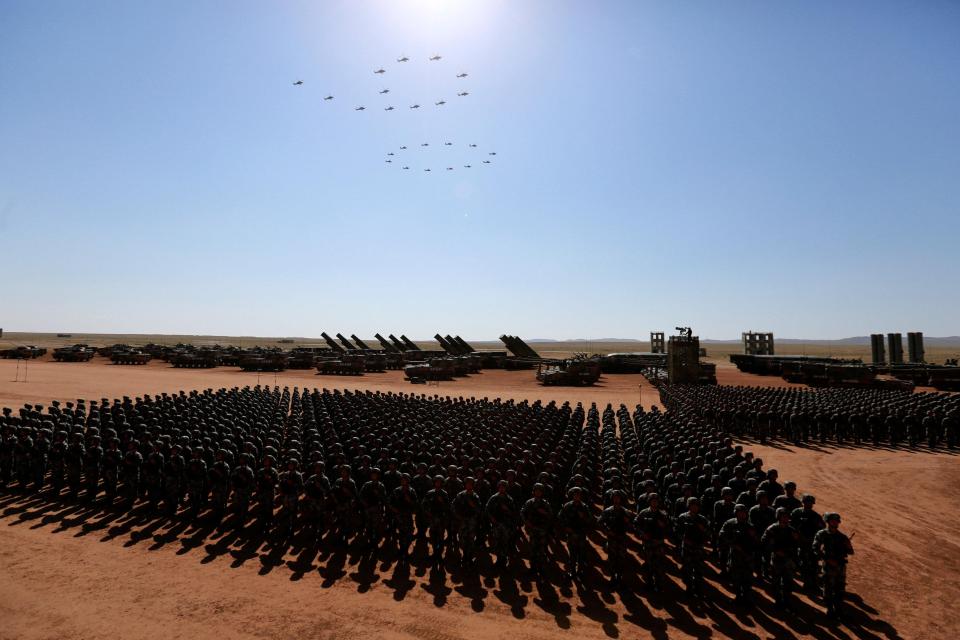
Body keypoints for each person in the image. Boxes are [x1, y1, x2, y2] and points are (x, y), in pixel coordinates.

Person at [813, 512, 854, 620]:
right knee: (828, 588)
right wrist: (827, 559)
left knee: (840, 589)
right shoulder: (822, 534)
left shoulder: (842, 537)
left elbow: (850, 552)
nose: (835, 522)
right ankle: (830, 608)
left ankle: (838, 609)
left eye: (836, 521)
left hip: (840, 567)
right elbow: (815, 548)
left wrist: (848, 546)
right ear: (827, 521)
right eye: (832, 520)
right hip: (828, 566)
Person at [762, 507, 800, 609]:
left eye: (787, 517)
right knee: (776, 582)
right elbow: (765, 541)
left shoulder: (792, 530)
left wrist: (796, 540)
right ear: (778, 517)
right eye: (784, 517)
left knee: (788, 582)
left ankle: (787, 600)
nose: (786, 519)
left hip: (788, 560)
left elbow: (797, 545)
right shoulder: (772, 529)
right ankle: (778, 600)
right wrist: (776, 550)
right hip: (776, 559)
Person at [720, 504, 757, 604]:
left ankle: (747, 597)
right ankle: (738, 596)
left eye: (744, 512)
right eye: (740, 512)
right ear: (736, 513)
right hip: (735, 556)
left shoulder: (750, 526)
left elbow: (755, 542)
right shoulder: (730, 523)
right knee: (735, 578)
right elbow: (722, 534)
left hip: (747, 556)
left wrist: (752, 538)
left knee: (747, 579)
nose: (742, 514)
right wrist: (732, 544)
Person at [557, 486, 594, 580]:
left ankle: (580, 572)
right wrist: (566, 528)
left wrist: (584, 517)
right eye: (575, 494)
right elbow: (560, 517)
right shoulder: (567, 506)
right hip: (571, 534)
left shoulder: (584, 507)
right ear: (572, 495)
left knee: (581, 554)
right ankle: (572, 571)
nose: (577, 496)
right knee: (572, 554)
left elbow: (590, 520)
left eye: (578, 495)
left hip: (581, 534)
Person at [676, 496, 709, 598]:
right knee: (687, 569)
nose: (695, 508)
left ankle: (698, 589)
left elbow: (709, 534)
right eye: (693, 505)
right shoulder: (682, 517)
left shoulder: (703, 519)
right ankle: (689, 588)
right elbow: (677, 532)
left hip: (698, 548)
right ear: (689, 506)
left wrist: (703, 530)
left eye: (696, 506)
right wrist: (684, 540)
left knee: (699, 570)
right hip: (686, 548)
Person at [636, 493, 670, 592]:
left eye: (656, 501)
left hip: (658, 544)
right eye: (652, 500)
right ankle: (649, 584)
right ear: (649, 502)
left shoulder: (663, 514)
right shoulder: (643, 513)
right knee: (648, 565)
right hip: (647, 543)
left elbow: (669, 529)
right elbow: (636, 524)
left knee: (659, 566)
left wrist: (663, 525)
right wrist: (642, 533)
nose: (654, 502)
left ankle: (659, 585)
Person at [600, 490, 633, 589]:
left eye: (618, 497)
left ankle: (619, 577)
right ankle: (613, 577)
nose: (616, 499)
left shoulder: (626, 511)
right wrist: (607, 531)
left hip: (622, 538)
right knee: (612, 559)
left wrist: (628, 523)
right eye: (614, 497)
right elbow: (600, 522)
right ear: (612, 498)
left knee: (621, 559)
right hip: (612, 539)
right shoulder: (607, 511)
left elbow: (632, 527)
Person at [521, 483, 554, 576]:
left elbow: (551, 515)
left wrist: (545, 513)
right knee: (532, 550)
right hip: (532, 530)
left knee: (542, 550)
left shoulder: (545, 503)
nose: (538, 492)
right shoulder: (530, 502)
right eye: (536, 490)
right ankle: (533, 568)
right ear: (534, 491)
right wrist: (526, 522)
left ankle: (541, 569)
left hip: (542, 530)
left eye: (540, 491)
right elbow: (522, 512)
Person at [486, 479, 519, 570]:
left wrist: (507, 510)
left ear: (506, 488)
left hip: (506, 525)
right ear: (498, 487)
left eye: (503, 487)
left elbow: (514, 512)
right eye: (500, 486)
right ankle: (498, 560)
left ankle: (503, 560)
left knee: (505, 542)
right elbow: (487, 509)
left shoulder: (509, 499)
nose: (502, 488)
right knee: (497, 542)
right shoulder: (493, 498)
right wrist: (491, 518)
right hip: (496, 524)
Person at [452, 477, 482, 567]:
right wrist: (457, 515)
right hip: (462, 521)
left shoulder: (475, 496)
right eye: (467, 483)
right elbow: (453, 506)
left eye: (470, 484)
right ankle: (464, 556)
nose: (469, 485)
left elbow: (479, 509)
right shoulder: (460, 495)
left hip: (471, 521)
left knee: (471, 539)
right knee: (462, 539)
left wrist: (473, 505)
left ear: (473, 485)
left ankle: (469, 557)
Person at [390, 473, 419, 559]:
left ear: (408, 480)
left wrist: (409, 500)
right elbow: (390, 501)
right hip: (399, 516)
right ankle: (401, 550)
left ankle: (405, 550)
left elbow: (416, 503)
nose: (403, 481)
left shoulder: (411, 491)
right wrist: (393, 509)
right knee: (401, 534)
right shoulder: (396, 490)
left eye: (405, 479)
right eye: (402, 479)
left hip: (408, 515)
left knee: (409, 534)